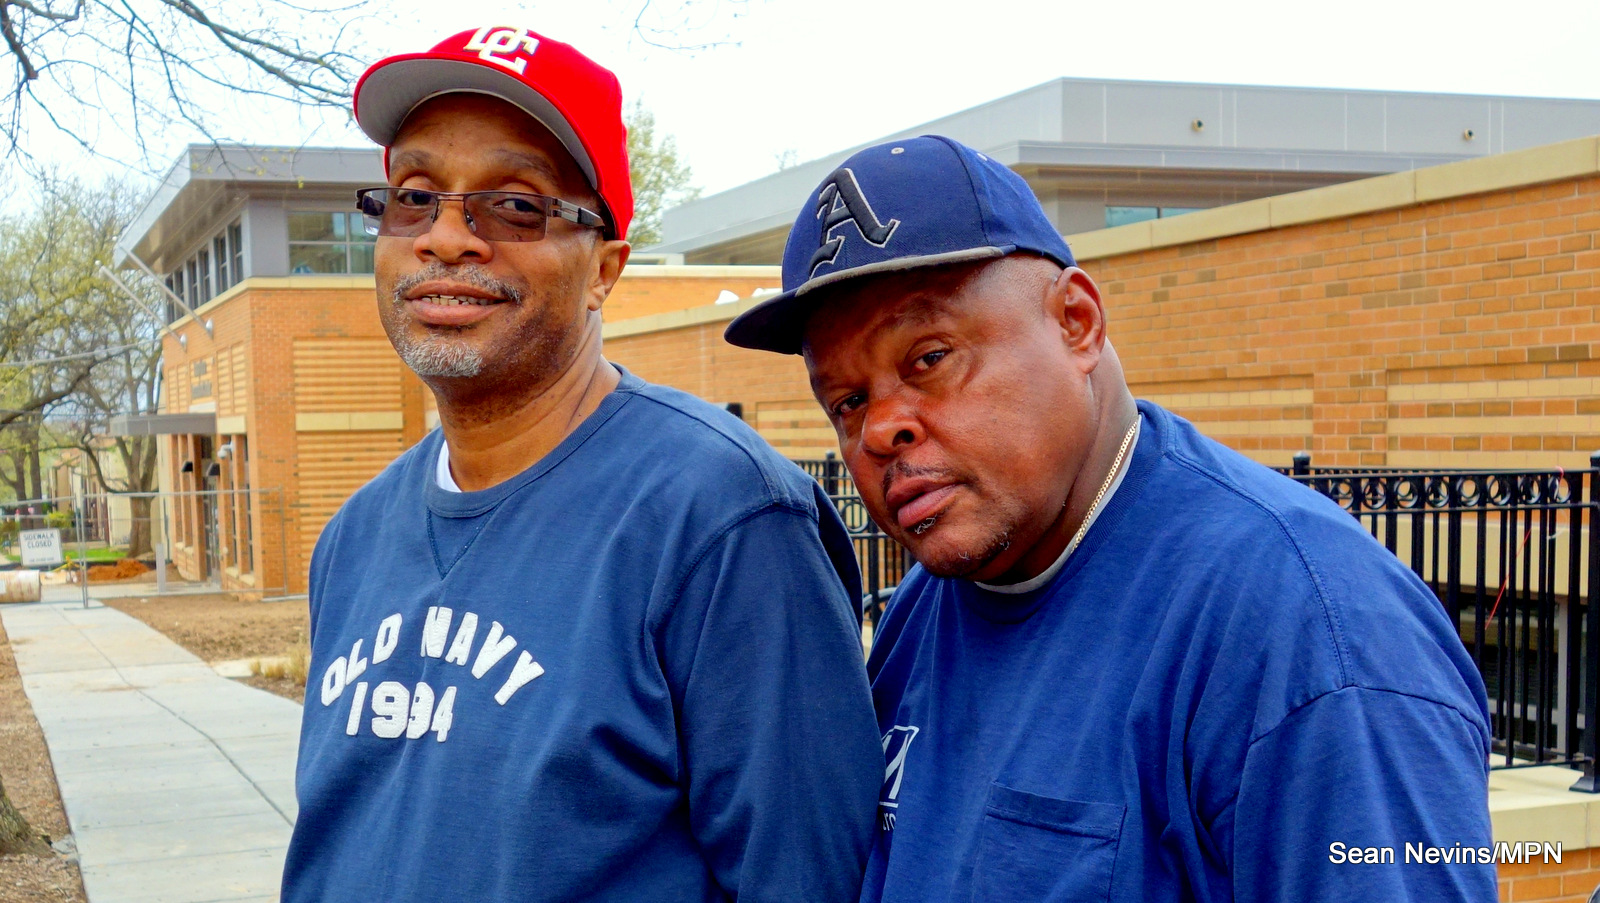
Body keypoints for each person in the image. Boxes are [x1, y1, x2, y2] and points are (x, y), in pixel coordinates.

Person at [724, 135, 1496, 902]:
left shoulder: (1308, 630)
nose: (881, 428)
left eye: (928, 357)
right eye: (847, 401)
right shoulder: (930, 603)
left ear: (1076, 323)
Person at [281, 27, 882, 903]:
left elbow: (810, 880)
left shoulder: (722, 520)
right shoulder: (353, 539)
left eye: (517, 204)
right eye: (414, 195)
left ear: (604, 269)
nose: (448, 237)